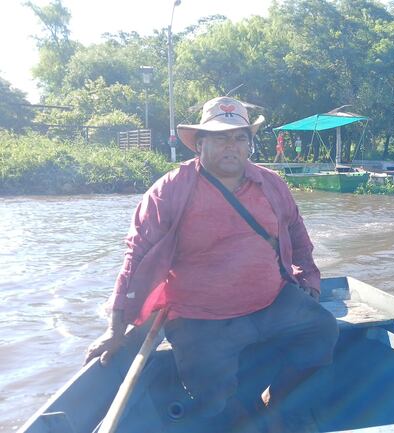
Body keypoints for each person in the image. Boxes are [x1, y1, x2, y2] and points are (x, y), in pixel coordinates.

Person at [84, 96, 339, 432]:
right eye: (220, 138)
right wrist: (115, 329)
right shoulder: (169, 191)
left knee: (321, 331)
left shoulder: (271, 184)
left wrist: (309, 280)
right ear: (200, 144)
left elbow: (297, 234)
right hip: (199, 317)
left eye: (239, 137)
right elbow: (136, 257)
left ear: (249, 144)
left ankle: (277, 400)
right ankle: (240, 417)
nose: (230, 146)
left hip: (270, 302)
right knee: (213, 400)